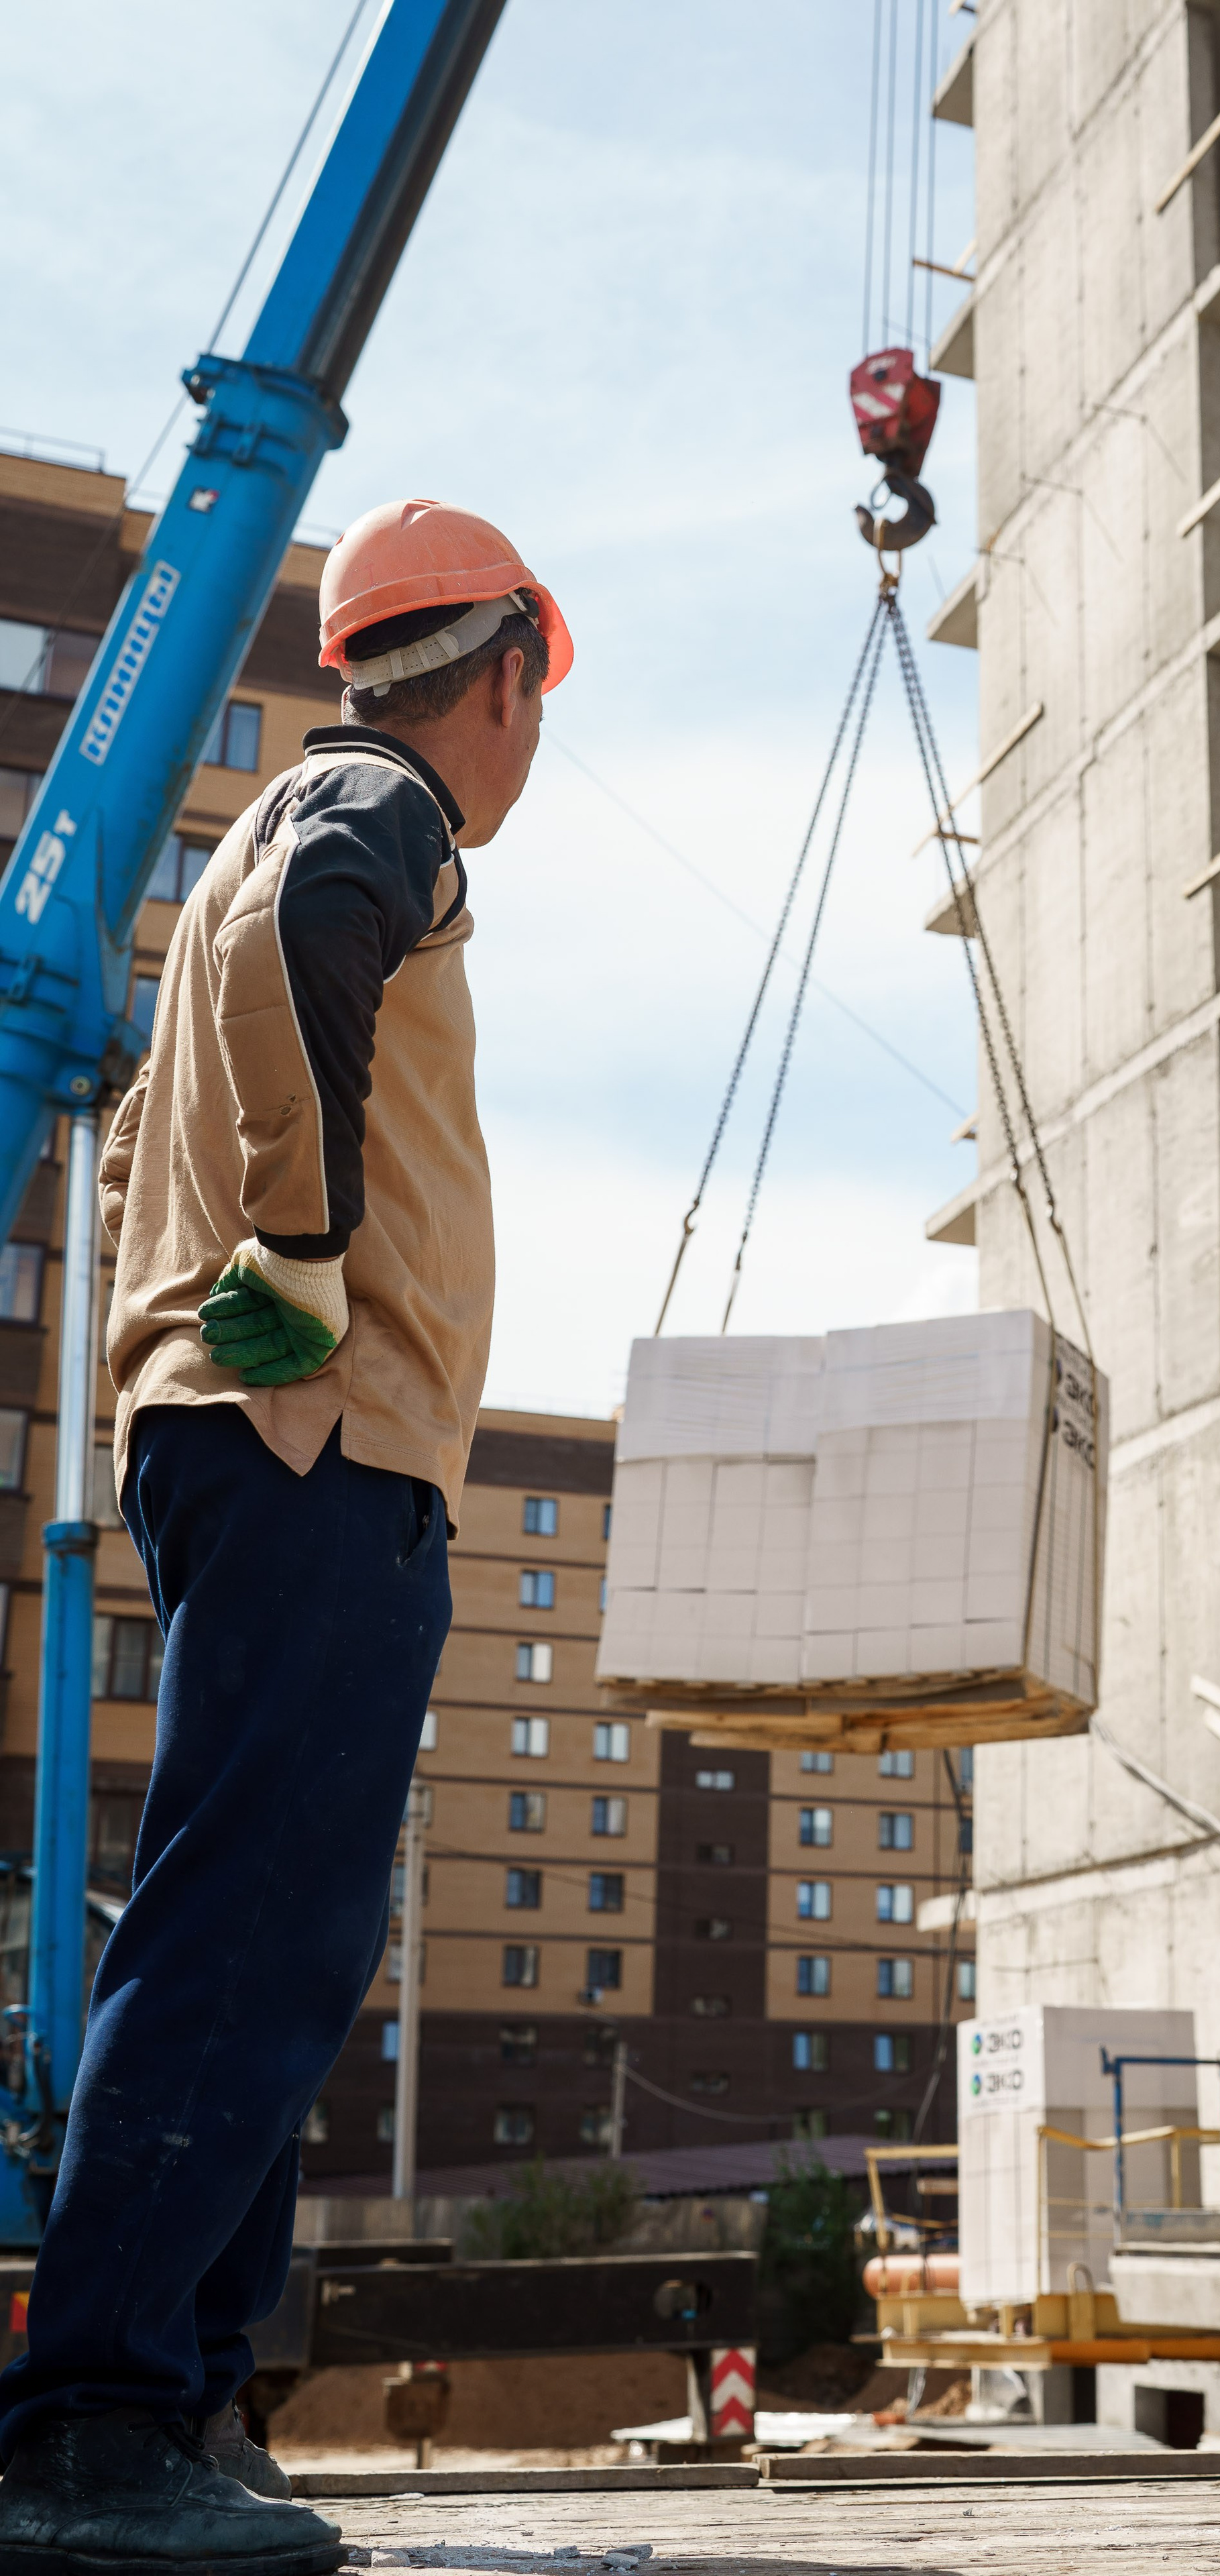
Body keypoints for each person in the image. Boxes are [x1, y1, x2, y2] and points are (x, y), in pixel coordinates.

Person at [0, 499, 570, 2574]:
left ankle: (191, 2400)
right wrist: (312, 1270)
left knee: (272, 1919)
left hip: (263, 1421)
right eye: (539, 698)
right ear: (498, 668)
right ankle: (94, 2422)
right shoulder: (367, 811)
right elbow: (316, 919)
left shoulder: (283, 807)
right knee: (253, 1918)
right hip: (313, 1430)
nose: (532, 737)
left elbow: (264, 959)